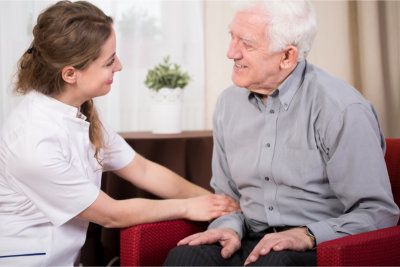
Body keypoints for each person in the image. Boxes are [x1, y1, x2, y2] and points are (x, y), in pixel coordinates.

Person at [0, 1, 240, 265]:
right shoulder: (32, 142)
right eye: (110, 61)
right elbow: (111, 214)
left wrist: (219, 205)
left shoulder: (78, 113)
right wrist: (189, 207)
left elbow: (142, 169)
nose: (120, 66)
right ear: (70, 74)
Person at [163, 0, 400, 266]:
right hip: (249, 237)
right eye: (232, 37)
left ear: (287, 56)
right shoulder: (227, 104)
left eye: (247, 43)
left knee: (275, 264)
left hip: (316, 246)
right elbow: (227, 196)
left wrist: (307, 235)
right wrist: (229, 226)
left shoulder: (341, 109)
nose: (231, 52)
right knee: (184, 257)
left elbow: (378, 212)